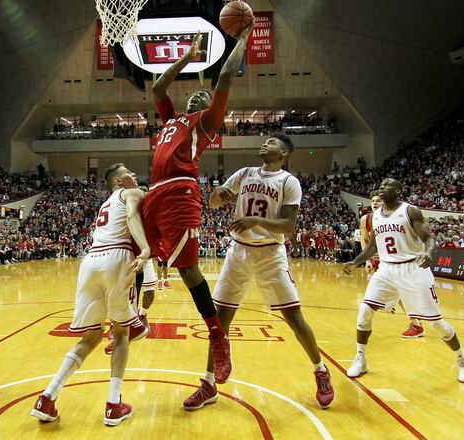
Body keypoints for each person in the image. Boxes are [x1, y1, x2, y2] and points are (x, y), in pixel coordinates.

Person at [184, 134, 334, 411]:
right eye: (265, 141)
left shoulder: (289, 182)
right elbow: (215, 203)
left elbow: (288, 226)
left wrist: (255, 220)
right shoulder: (244, 173)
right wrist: (220, 193)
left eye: (273, 142)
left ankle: (321, 370)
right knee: (220, 320)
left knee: (294, 317)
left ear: (284, 153)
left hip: (270, 254)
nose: (266, 143)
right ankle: (208, 384)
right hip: (238, 251)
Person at [143, 25, 254, 385]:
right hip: (154, 194)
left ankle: (218, 339)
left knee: (189, 272)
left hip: (179, 193)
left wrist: (242, 38)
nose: (196, 95)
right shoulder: (173, 119)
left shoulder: (206, 123)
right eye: (193, 94)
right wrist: (187, 57)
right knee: (133, 253)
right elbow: (159, 88)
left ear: (210, 109)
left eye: (202, 95)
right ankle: (131, 318)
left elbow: (223, 76)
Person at [30, 163, 150, 427]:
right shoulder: (131, 193)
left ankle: (47, 397)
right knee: (121, 334)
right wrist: (145, 249)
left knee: (91, 336)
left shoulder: (105, 203)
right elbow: (132, 218)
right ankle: (114, 405)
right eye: (128, 171)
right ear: (119, 181)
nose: (133, 173)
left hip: (91, 261)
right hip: (116, 258)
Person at [343, 178, 464, 383]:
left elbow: (430, 238)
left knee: (436, 324)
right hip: (386, 269)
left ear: (398, 191)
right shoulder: (375, 217)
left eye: (387, 184)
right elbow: (373, 248)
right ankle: (361, 359)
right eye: (381, 184)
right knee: (365, 311)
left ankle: (463, 359)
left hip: (413, 268)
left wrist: (430, 253)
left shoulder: (410, 211)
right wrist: (354, 261)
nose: (382, 186)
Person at [360, 192, 423, 338]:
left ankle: (417, 322)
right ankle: (416, 321)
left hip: (396, 261)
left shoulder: (396, 217)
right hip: (380, 261)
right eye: (373, 201)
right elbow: (364, 239)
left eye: (379, 201)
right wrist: (367, 259)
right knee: (396, 294)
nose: (375, 203)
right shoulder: (366, 219)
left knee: (399, 293)